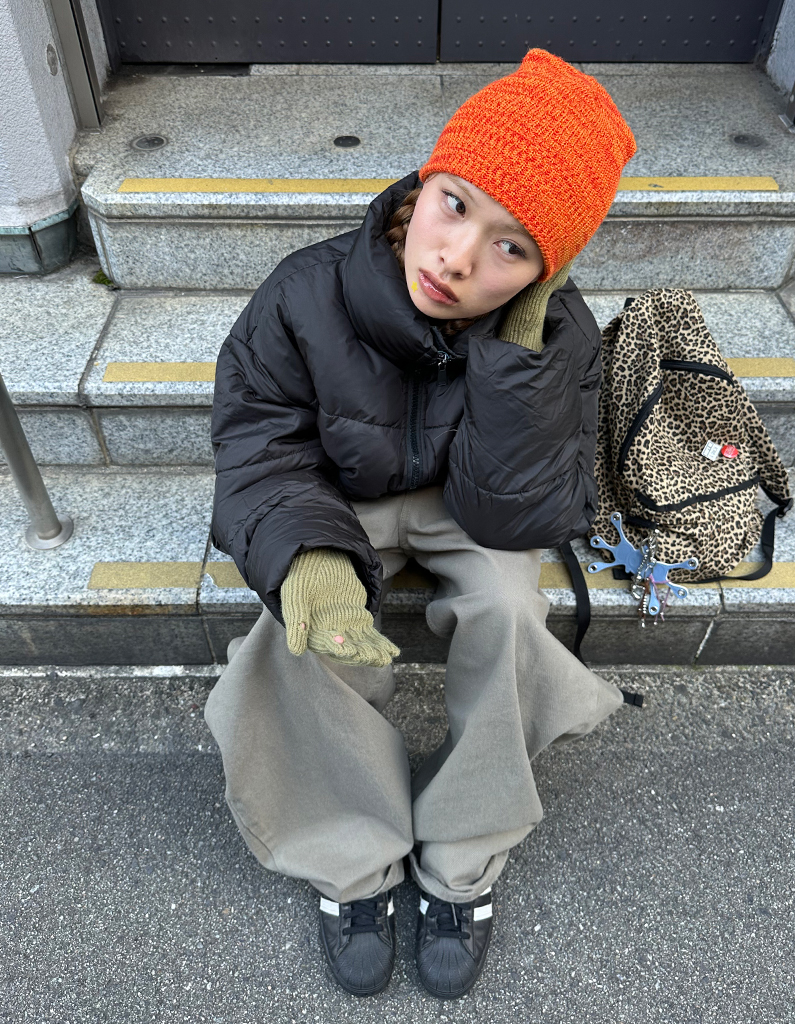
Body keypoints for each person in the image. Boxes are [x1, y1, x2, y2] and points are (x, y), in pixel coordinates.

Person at [205, 49, 636, 1000]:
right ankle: (351, 857)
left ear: (547, 271)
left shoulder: (556, 334)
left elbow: (517, 511)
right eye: (455, 205)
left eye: (513, 249)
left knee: (511, 611)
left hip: (464, 502)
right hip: (336, 494)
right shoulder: (303, 292)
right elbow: (257, 441)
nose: (458, 259)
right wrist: (310, 555)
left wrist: (518, 361)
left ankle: (462, 860)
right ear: (420, 186)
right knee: (302, 625)